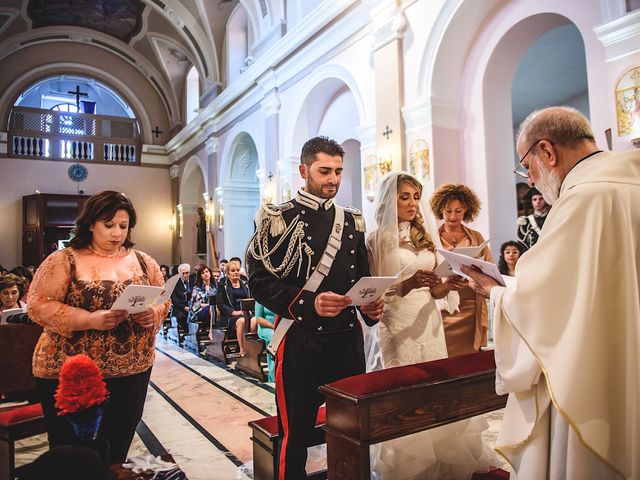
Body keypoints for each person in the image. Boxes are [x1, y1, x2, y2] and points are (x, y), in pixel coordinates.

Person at [462, 106, 640, 479]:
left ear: (547, 151)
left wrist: (494, 291)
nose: (528, 180)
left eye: (526, 166)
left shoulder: (581, 199)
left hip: (595, 374)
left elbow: (545, 306)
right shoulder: (629, 180)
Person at [247, 136, 384, 479]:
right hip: (301, 341)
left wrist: (369, 308)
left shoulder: (352, 221)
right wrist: (310, 302)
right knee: (295, 435)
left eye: (338, 171)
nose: (333, 179)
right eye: (325, 171)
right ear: (304, 170)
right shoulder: (276, 220)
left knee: (353, 431)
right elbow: (259, 283)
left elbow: (361, 279)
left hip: (346, 341)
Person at [367, 172, 497, 479]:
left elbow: (433, 289)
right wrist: (409, 283)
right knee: (404, 387)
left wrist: (448, 285)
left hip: (429, 320)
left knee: (434, 383)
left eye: (415, 196)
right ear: (389, 200)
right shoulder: (376, 240)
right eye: (404, 197)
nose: (413, 203)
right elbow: (376, 292)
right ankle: (407, 463)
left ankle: (442, 460)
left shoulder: (423, 236)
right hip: (396, 323)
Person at [27, 190, 169, 463]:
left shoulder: (143, 261)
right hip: (73, 372)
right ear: (90, 223)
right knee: (73, 453)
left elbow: (163, 299)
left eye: (123, 226)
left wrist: (152, 314)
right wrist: (90, 319)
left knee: (116, 444)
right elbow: (38, 305)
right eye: (109, 225)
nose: (117, 233)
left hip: (133, 369)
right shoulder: (64, 259)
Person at [430, 183, 493, 357]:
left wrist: (476, 273)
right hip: (442, 305)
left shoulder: (476, 237)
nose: (452, 216)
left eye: (458, 211)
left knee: (469, 359)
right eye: (448, 211)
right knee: (443, 356)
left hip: (471, 305)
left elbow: (489, 267)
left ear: (466, 210)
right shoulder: (431, 238)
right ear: (440, 210)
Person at [216, 258, 256, 356]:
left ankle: (251, 349)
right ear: (228, 273)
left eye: (237, 270)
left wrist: (250, 310)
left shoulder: (245, 283)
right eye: (233, 271)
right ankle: (242, 349)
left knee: (255, 320)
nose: (236, 272)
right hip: (230, 316)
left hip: (246, 313)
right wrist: (235, 312)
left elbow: (251, 298)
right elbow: (220, 304)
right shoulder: (222, 285)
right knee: (242, 321)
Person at [254, 301, 276, 382]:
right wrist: (273, 326)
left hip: (280, 327)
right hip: (266, 327)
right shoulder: (260, 298)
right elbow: (258, 319)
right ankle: (273, 375)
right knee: (274, 337)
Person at [170, 263, 192, 334]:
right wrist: (184, 307)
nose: (185, 275)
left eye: (187, 273)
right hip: (180, 307)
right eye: (183, 273)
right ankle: (185, 332)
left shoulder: (193, 281)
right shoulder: (174, 283)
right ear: (179, 273)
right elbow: (174, 299)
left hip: (193, 306)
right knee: (181, 316)